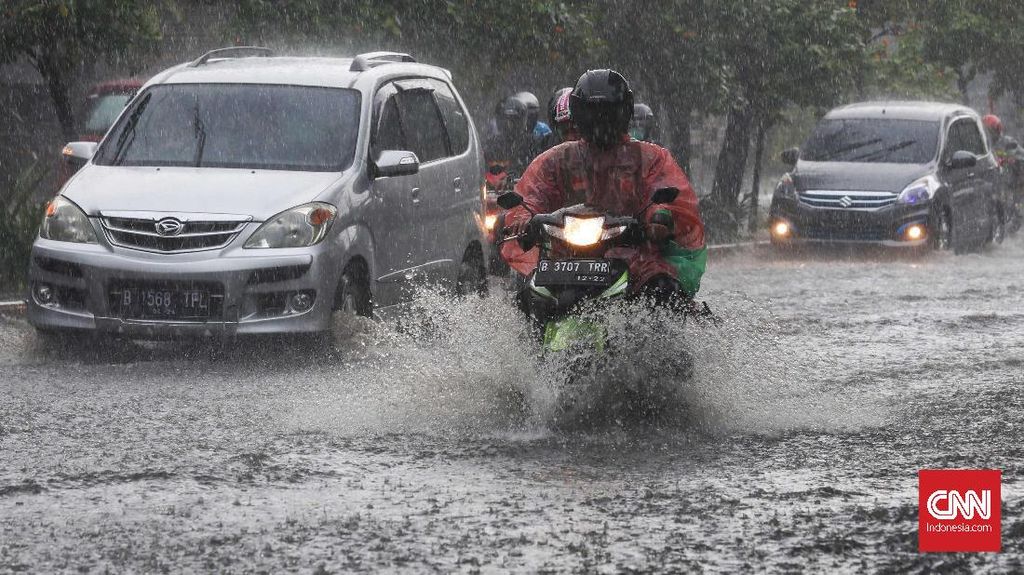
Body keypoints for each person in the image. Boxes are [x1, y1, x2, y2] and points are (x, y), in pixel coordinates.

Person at [501, 69, 707, 303]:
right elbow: (531, 195)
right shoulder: (555, 160)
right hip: (563, 262)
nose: (600, 119)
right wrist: (522, 220)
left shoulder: (651, 158)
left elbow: (672, 197)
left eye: (606, 112)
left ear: (623, 111)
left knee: (665, 294)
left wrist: (658, 219)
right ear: (579, 112)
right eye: (593, 112)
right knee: (526, 300)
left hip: (636, 260)